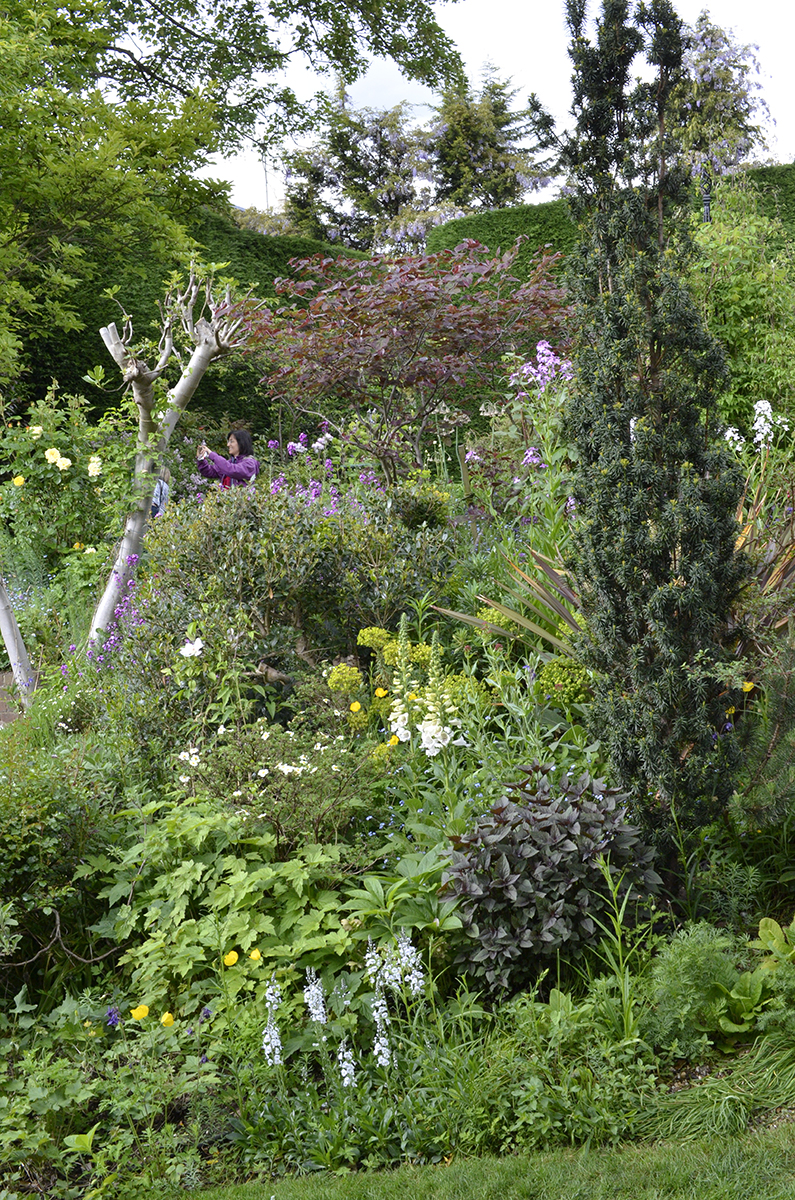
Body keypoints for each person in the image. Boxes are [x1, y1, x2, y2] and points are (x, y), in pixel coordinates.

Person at [196, 429, 261, 488]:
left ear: (241, 443)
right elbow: (209, 472)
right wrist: (201, 459)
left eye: (231, 441)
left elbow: (232, 470)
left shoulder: (250, 463)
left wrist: (211, 454)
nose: (228, 444)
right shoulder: (230, 463)